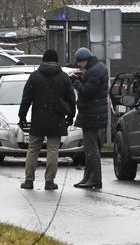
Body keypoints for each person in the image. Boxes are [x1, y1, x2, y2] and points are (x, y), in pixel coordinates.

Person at [17, 49, 76, 191]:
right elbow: (71, 99)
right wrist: (71, 116)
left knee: (33, 149)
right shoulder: (64, 78)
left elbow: (26, 99)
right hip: (57, 118)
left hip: (38, 118)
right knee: (53, 150)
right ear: (57, 61)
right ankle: (49, 181)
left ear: (43, 60)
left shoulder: (35, 77)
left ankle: (29, 180)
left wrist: (22, 116)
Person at [71, 47, 109, 190]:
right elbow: (91, 85)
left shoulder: (94, 71)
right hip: (93, 113)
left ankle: (94, 179)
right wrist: (80, 78)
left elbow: (88, 90)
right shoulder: (97, 68)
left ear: (85, 60)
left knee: (92, 149)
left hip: (92, 115)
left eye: (80, 62)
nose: (79, 65)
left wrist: (76, 82)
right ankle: (88, 178)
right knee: (89, 149)